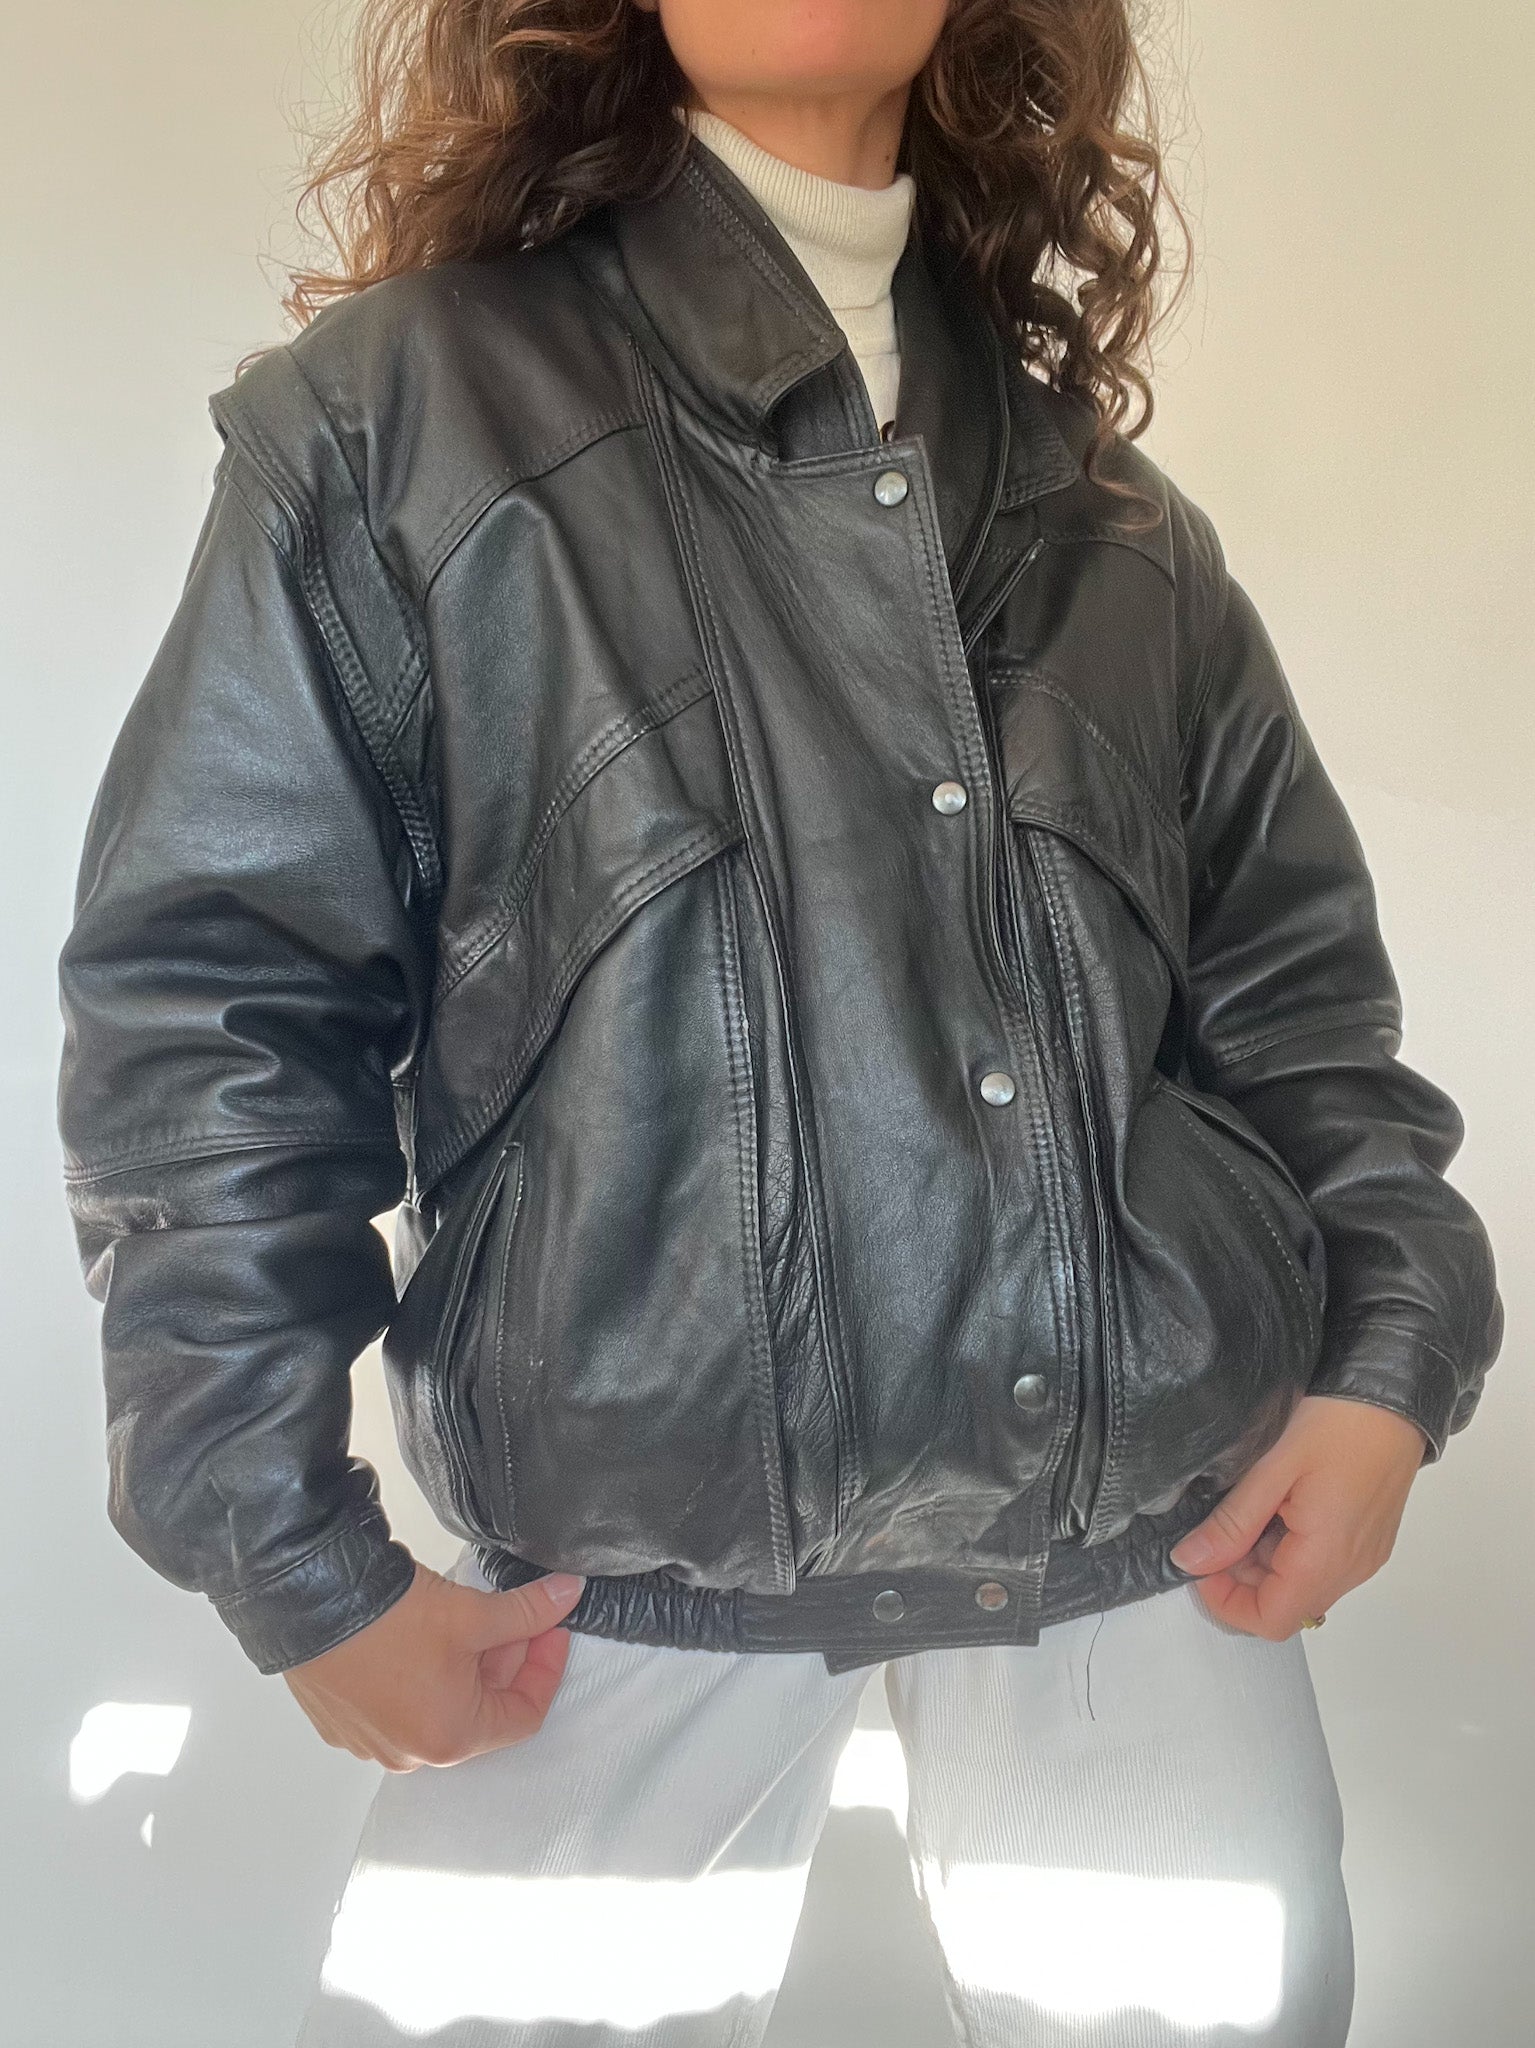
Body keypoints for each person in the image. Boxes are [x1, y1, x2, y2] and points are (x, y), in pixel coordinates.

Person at [55, 3, 1504, 2044]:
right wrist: (291, 1554)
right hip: (607, 1593)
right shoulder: (396, 426)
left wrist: (1388, 1361)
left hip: (1145, 1558)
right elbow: (219, 1005)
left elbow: (1299, 1006)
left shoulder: (1111, 521)